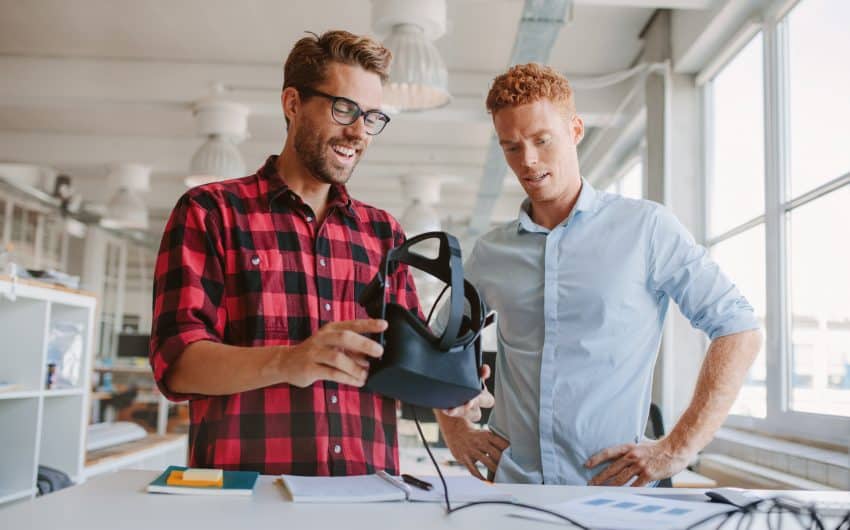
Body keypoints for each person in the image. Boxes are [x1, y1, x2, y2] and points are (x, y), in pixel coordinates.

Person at [149, 30, 488, 476]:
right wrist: (289, 360)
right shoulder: (211, 213)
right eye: (343, 108)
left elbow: (402, 363)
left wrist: (448, 397)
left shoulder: (383, 233)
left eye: (371, 117)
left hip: (365, 495)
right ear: (293, 103)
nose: (357, 131)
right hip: (246, 498)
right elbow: (177, 364)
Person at [436, 63, 762, 486]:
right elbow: (438, 343)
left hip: (612, 491)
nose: (528, 161)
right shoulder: (492, 253)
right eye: (511, 147)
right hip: (513, 489)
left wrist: (678, 448)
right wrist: (456, 431)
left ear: (575, 130)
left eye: (541, 140)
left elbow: (738, 329)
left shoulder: (646, 229)